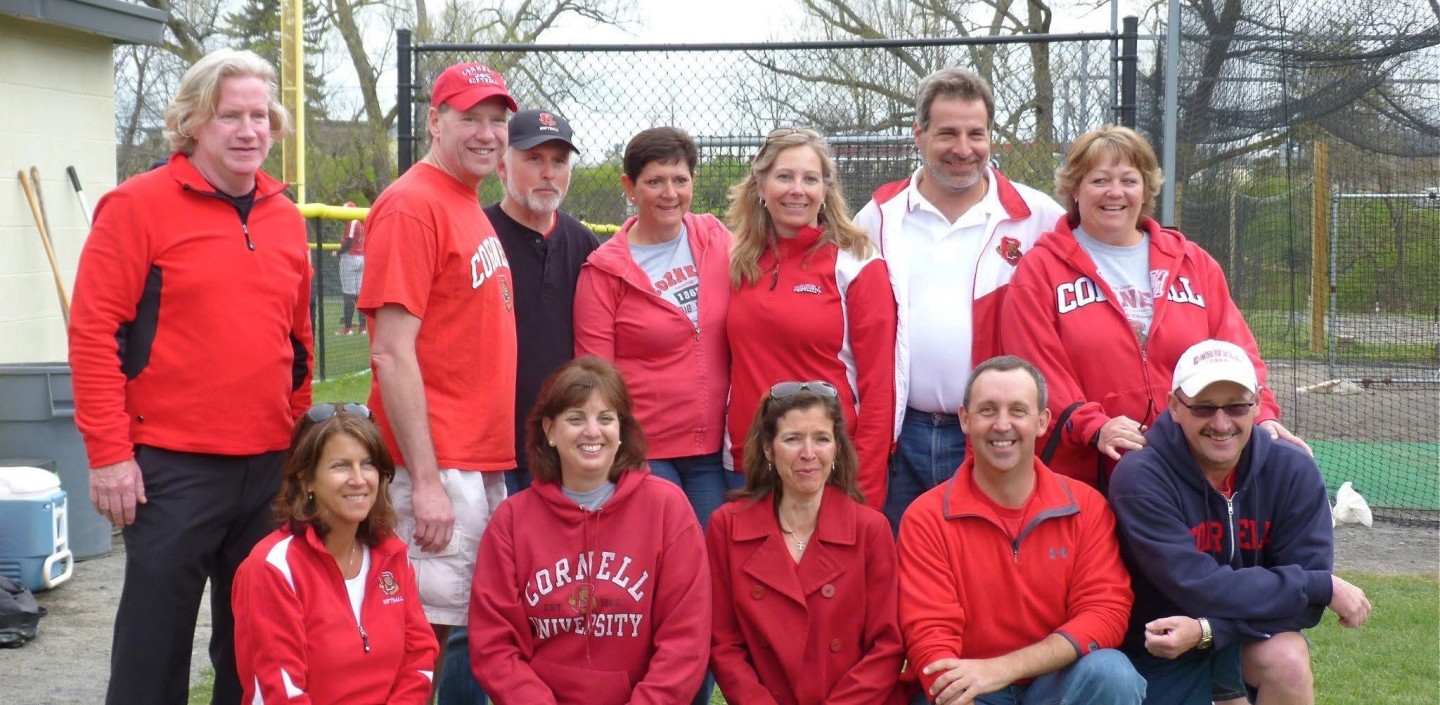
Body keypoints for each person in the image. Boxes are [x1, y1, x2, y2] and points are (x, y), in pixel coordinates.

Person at [68, 48, 312, 705]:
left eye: (259, 115)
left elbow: (299, 345)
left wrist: (297, 450)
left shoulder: (286, 219)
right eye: (229, 115)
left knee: (256, 649)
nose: (247, 129)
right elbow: (93, 337)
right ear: (192, 123)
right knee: (154, 652)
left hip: (265, 467)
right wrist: (110, 456)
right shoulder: (136, 207)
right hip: (170, 469)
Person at [1001, 124, 1308, 492]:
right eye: (1099, 180)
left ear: (1146, 189)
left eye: (1129, 180)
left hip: (1188, 467)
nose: (1115, 192)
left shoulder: (1192, 262)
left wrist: (1262, 416)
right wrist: (1093, 426)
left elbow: (1235, 352)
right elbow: (1036, 365)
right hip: (1086, 470)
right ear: (1074, 188)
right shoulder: (1041, 269)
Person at [357, 60, 517, 695]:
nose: (486, 133)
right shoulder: (412, 204)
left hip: (471, 458)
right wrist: (425, 482)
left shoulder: (463, 201)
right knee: (415, 642)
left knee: (451, 635)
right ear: (434, 121)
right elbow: (391, 354)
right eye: (469, 119)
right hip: (436, 463)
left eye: (497, 121)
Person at [854, 68, 1066, 533]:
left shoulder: (1037, 216)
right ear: (919, 134)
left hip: (994, 434)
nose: (963, 149)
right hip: (900, 436)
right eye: (948, 133)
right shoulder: (878, 216)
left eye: (977, 133)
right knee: (899, 570)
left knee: (985, 568)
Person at [437, 107, 599, 703]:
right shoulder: (473, 230)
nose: (547, 172)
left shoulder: (583, 243)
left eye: (559, 161)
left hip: (556, 449)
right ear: (502, 162)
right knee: (471, 601)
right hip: (480, 445)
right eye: (533, 157)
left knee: (553, 595)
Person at [1109, 339, 1371, 705]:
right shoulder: (1140, 477)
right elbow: (1196, 586)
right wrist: (1317, 586)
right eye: (1203, 408)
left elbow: (1304, 605)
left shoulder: (1293, 470)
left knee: (1289, 657)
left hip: (1242, 644)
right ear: (1175, 406)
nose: (1221, 423)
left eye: (1236, 406)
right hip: (1156, 652)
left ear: (1258, 403)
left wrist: (1209, 630)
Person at [897, 356, 1145, 705]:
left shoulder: (1085, 506)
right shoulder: (926, 517)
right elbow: (929, 636)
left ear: (1042, 421)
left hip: (1057, 683)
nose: (1002, 425)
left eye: (1017, 410)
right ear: (965, 420)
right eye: (987, 410)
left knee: (1112, 674)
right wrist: (971, 684)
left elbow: (1105, 613)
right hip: (970, 687)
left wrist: (1002, 668)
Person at [467, 357, 711, 704]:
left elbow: (686, 639)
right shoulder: (511, 521)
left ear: (621, 430)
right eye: (576, 418)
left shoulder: (667, 509)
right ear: (550, 431)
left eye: (606, 418)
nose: (592, 432)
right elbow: (494, 644)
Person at [708, 380, 908, 705]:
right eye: (792, 439)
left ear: (837, 448)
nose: (809, 454)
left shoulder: (871, 529)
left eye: (822, 439)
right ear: (769, 449)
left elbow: (886, 647)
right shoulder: (727, 527)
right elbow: (724, 643)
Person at [726, 127, 896, 510]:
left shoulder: (857, 262)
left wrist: (863, 489)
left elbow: (879, 389)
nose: (797, 189)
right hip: (747, 464)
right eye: (785, 176)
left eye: (810, 178)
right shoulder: (737, 260)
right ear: (761, 185)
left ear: (825, 190)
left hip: (824, 468)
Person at [573, 126, 733, 522]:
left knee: (714, 556)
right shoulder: (605, 271)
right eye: (655, 181)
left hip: (716, 446)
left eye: (680, 180)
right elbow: (596, 376)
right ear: (630, 186)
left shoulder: (716, 238)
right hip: (646, 449)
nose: (670, 193)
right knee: (668, 557)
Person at [233, 403, 438, 704]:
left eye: (367, 464)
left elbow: (419, 658)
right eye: (340, 465)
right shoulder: (272, 569)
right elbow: (279, 692)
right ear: (306, 479)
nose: (358, 479)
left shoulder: (392, 554)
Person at [334, 200, 367, 336]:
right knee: (359, 294)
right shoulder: (360, 223)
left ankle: (347, 328)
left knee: (349, 294)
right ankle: (362, 327)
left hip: (351, 258)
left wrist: (338, 253)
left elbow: (349, 242)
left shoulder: (353, 222)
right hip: (360, 259)